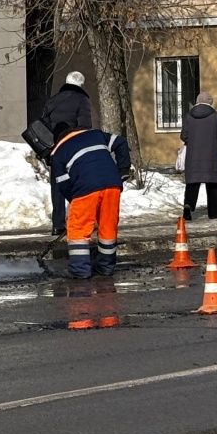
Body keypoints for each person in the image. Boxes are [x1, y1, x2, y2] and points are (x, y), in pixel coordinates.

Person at [49, 122, 131, 279]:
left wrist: (75, 202)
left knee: (78, 228)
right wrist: (123, 169)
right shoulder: (96, 134)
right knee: (108, 226)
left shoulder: (58, 152)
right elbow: (121, 142)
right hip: (112, 184)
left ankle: (80, 269)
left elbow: (63, 184)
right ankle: (106, 267)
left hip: (86, 186)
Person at [41, 71, 93, 235]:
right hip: (74, 150)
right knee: (78, 186)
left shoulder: (52, 101)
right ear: (81, 85)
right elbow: (85, 127)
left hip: (56, 150)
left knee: (57, 187)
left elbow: (44, 127)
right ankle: (77, 222)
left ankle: (57, 225)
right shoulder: (82, 100)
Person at [180, 92, 217, 220]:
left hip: (193, 156)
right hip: (212, 155)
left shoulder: (188, 116)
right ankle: (213, 213)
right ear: (210, 102)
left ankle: (188, 205)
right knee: (213, 184)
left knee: (192, 183)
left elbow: (184, 136)